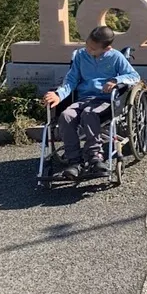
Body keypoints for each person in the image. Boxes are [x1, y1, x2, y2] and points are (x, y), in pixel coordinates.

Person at [43, 26, 140, 179]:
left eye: (93, 48)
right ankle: (75, 161)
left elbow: (134, 76)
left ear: (107, 48)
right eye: (87, 45)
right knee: (66, 116)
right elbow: (71, 80)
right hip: (84, 99)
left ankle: (95, 157)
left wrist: (116, 80)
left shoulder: (116, 57)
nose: (88, 49)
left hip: (105, 100)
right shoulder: (81, 56)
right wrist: (59, 95)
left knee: (90, 114)